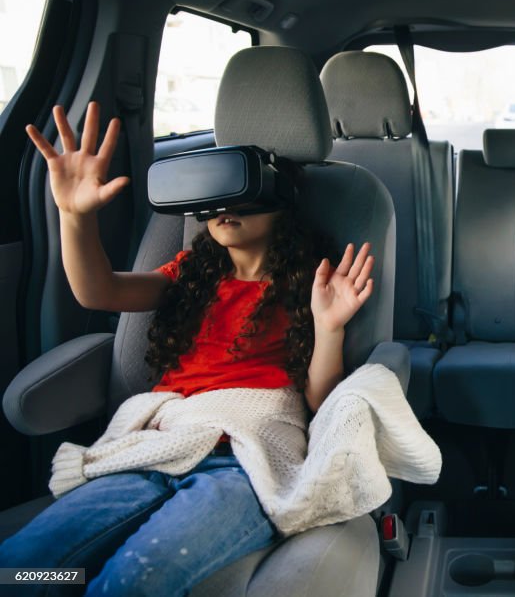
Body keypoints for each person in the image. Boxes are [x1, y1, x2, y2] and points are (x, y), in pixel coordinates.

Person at [0, 102, 375, 596]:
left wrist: (329, 327)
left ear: (281, 197)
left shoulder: (311, 283)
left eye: (238, 193)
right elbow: (99, 291)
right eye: (212, 196)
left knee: (131, 581)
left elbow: (318, 400)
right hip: (156, 448)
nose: (222, 209)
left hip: (243, 459)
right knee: (24, 569)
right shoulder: (190, 275)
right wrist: (74, 217)